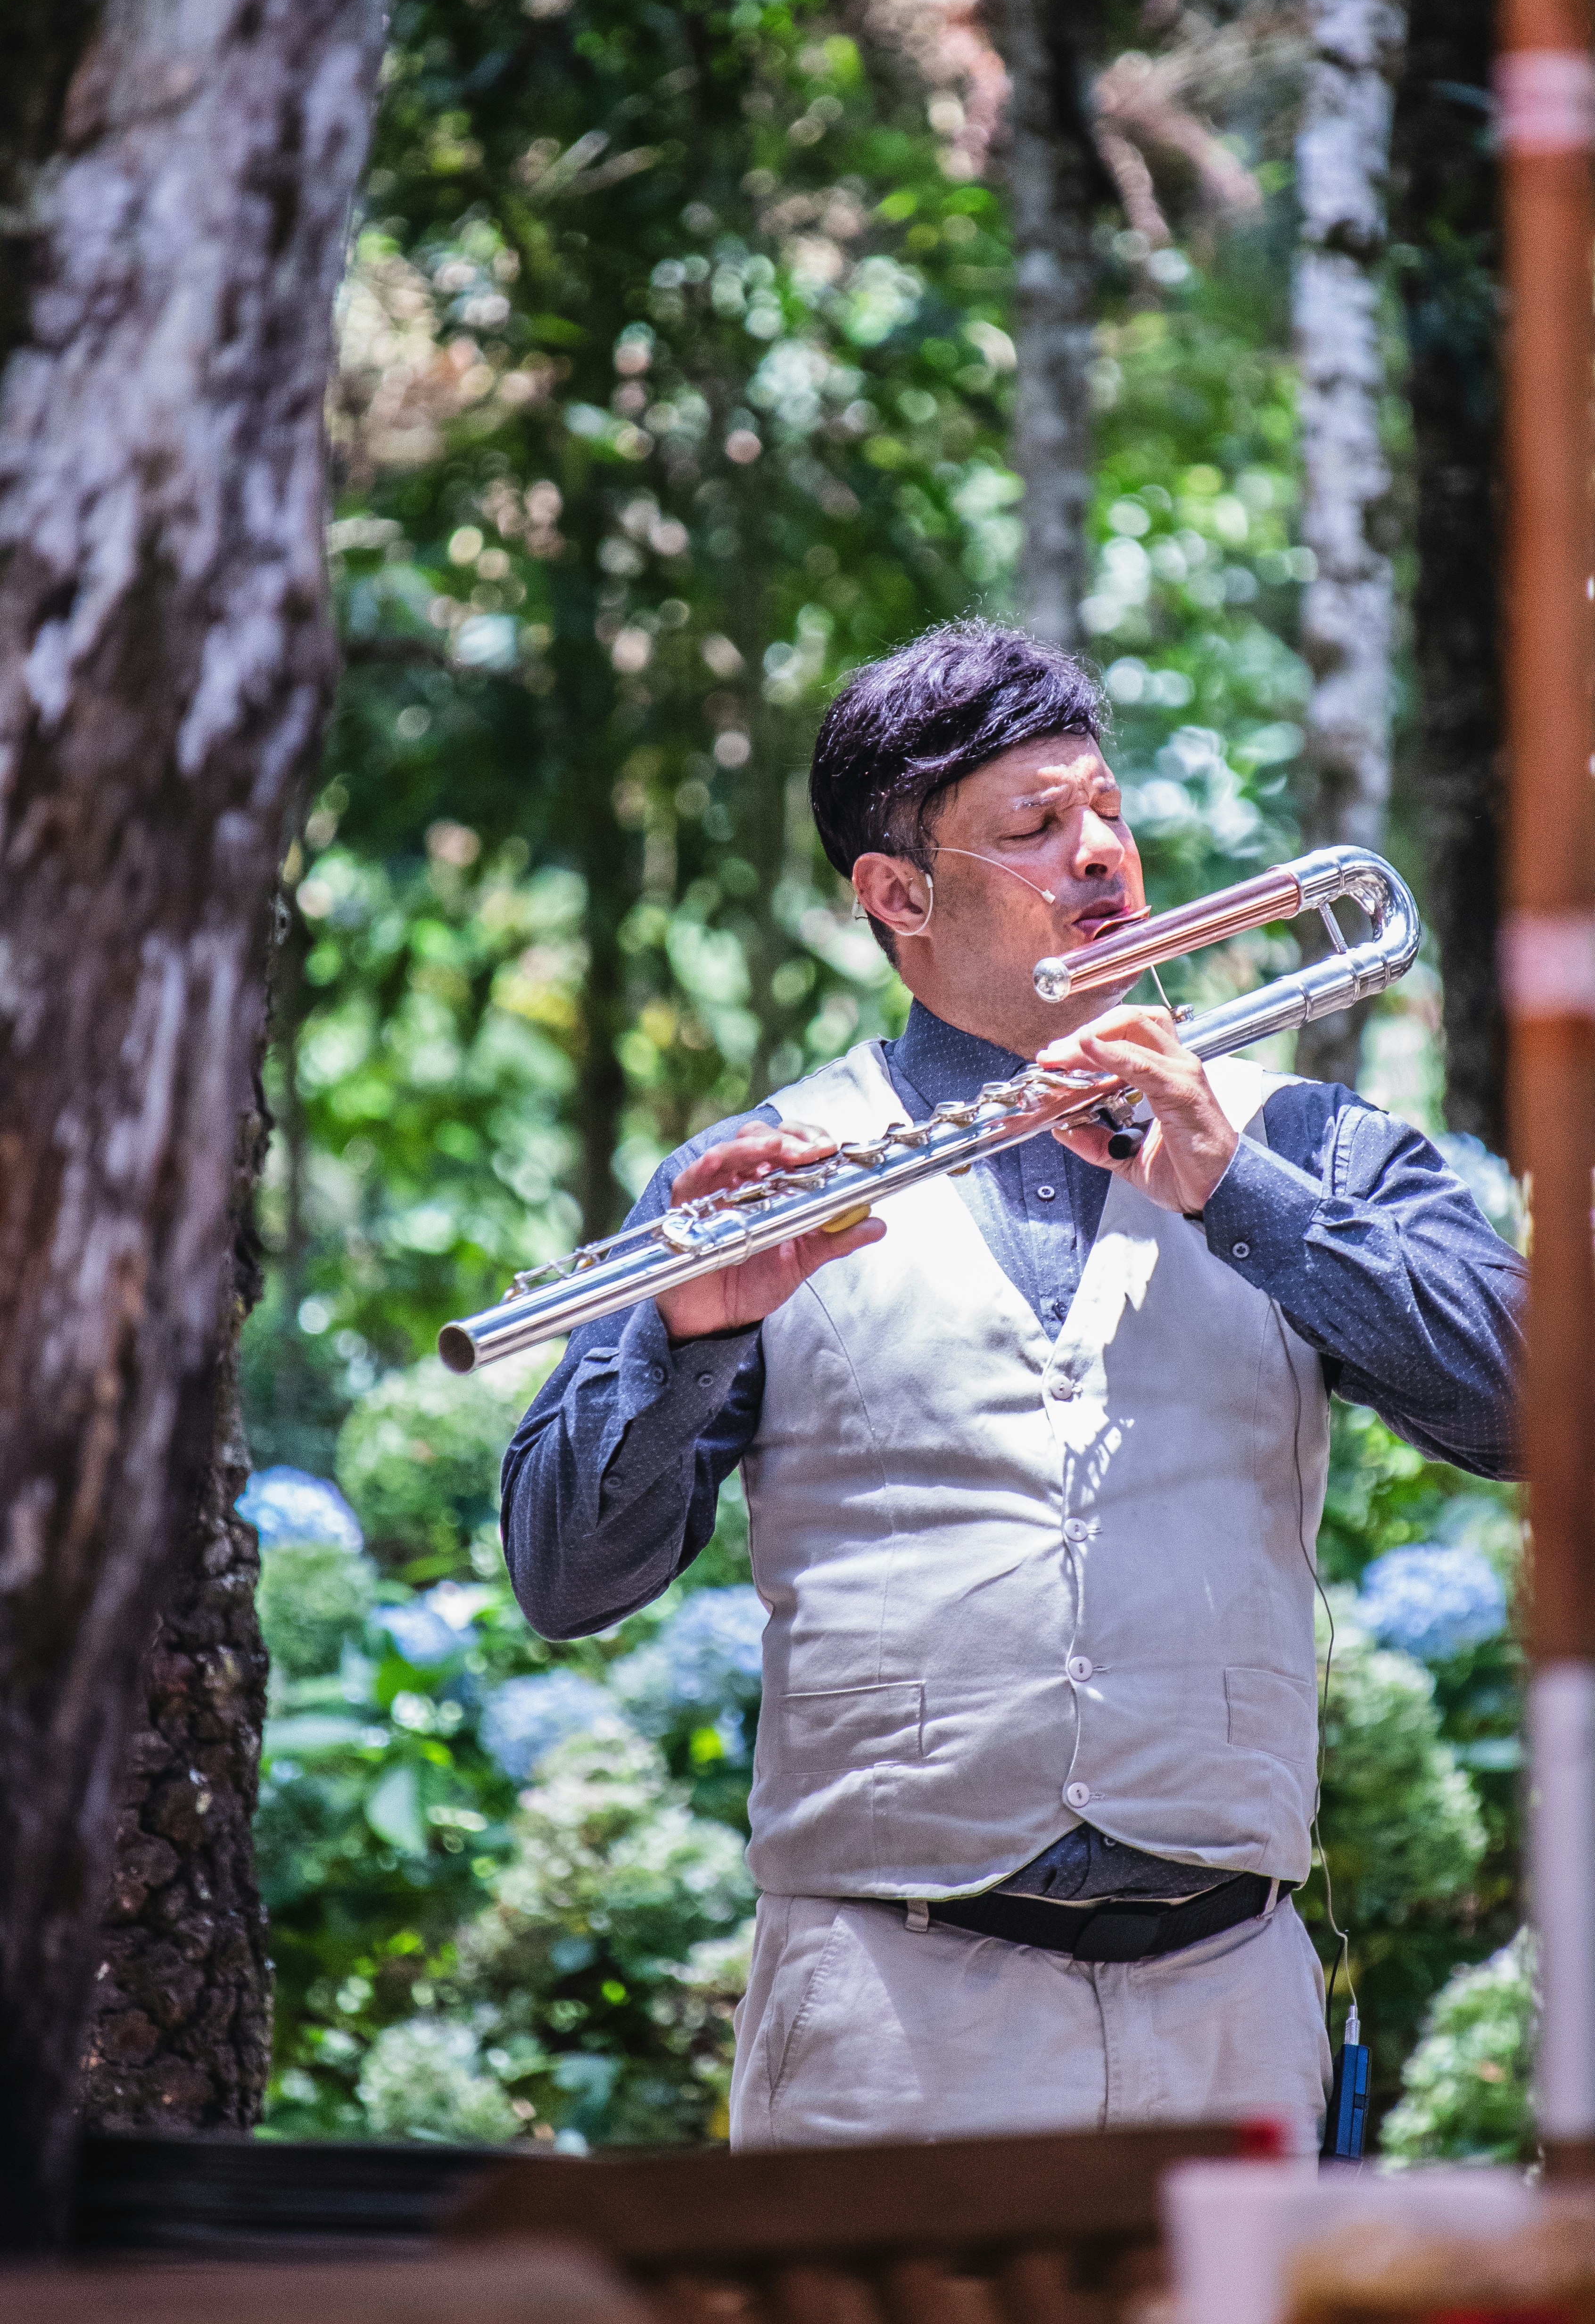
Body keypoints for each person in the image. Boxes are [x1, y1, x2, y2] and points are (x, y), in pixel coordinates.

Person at [502, 621, 1524, 2154]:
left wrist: (1239, 1189)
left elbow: (1532, 1404)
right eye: (1036, 828)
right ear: (897, 895)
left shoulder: (1302, 1135)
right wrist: (681, 1337)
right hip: (885, 2012)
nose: (1102, 853)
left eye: (1105, 809)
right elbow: (565, 1572)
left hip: (1231, 2000)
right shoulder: (760, 1172)